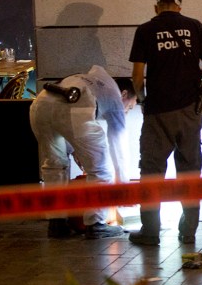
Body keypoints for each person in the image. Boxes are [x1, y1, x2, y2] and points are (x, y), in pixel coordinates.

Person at [128, 0, 202, 246]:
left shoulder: (145, 30)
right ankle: (188, 232)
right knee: (190, 171)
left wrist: (143, 100)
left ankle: (150, 232)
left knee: (152, 172)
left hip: (158, 113)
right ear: (179, 7)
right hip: (190, 111)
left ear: (156, 7)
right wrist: (196, 78)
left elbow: (137, 76)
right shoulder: (194, 26)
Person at [29, 65, 137, 239]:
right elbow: (118, 141)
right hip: (74, 104)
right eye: (130, 107)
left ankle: (56, 223)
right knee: (102, 170)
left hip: (40, 105)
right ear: (124, 94)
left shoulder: (90, 80)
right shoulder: (115, 96)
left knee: (54, 165)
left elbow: (63, 122)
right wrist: (123, 184)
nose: (126, 112)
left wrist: (75, 150)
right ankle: (96, 225)